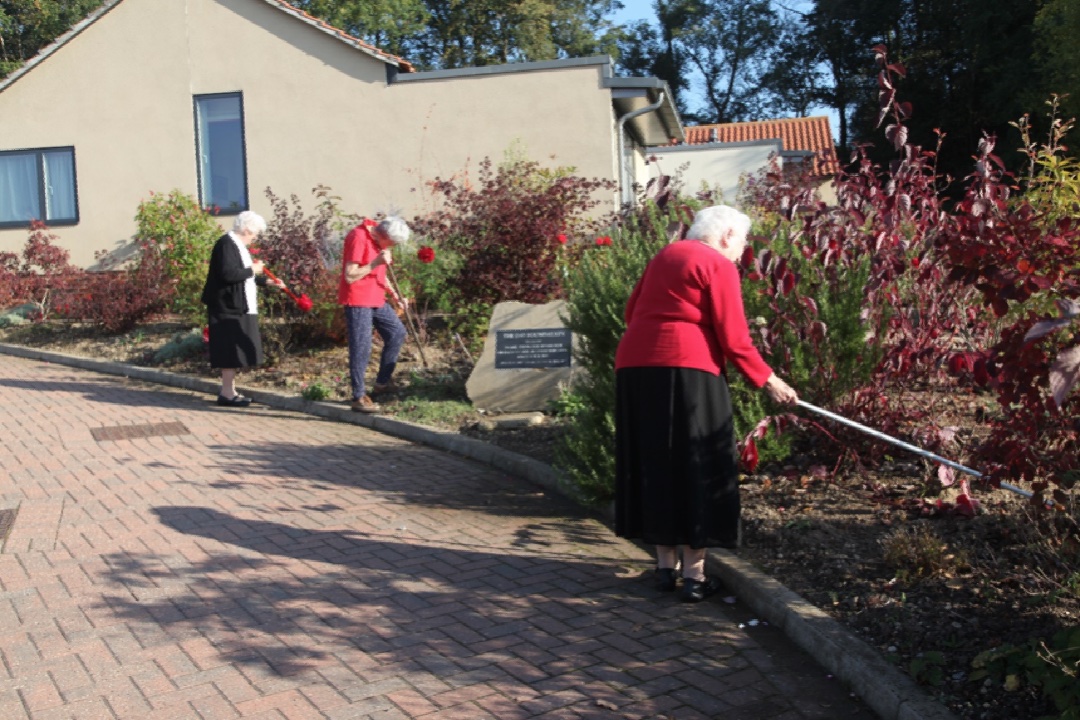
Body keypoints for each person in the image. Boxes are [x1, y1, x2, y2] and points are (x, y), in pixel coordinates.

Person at [614, 204, 799, 603]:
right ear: (728, 234)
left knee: (656, 460)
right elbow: (734, 337)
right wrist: (769, 380)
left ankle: (665, 568)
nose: (742, 250)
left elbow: (632, 312)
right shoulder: (717, 263)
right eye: (743, 241)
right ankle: (695, 577)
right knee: (695, 461)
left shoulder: (665, 255)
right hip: (688, 369)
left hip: (634, 366)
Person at [200, 211, 285, 407]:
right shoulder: (226, 245)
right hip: (227, 307)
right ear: (246, 229)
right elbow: (228, 274)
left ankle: (229, 390)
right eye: (255, 233)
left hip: (237, 306)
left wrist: (267, 282)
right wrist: (252, 270)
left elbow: (243, 277)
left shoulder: (237, 246)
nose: (255, 238)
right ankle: (227, 393)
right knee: (230, 350)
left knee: (236, 350)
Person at [338, 216, 411, 413]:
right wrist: (376, 261)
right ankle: (358, 396)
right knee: (361, 346)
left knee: (396, 333)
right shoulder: (358, 237)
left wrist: (395, 296)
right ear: (384, 235)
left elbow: (381, 273)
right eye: (393, 243)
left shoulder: (377, 238)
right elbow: (350, 275)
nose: (393, 247)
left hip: (376, 297)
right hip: (358, 299)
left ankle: (382, 383)